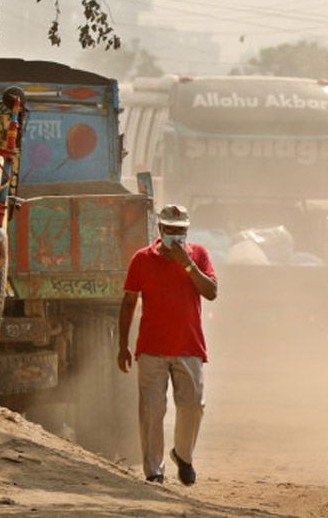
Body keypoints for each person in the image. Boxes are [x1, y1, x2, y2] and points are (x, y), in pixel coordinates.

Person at [117, 204, 218, 486]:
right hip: (151, 348)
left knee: (194, 406)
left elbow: (211, 292)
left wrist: (187, 263)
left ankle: (183, 456)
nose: (177, 236)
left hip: (189, 346)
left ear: (187, 231)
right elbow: (128, 303)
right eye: (171, 231)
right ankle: (154, 472)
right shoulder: (142, 259)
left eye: (181, 231)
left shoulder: (198, 255)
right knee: (151, 410)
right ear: (160, 230)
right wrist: (122, 345)